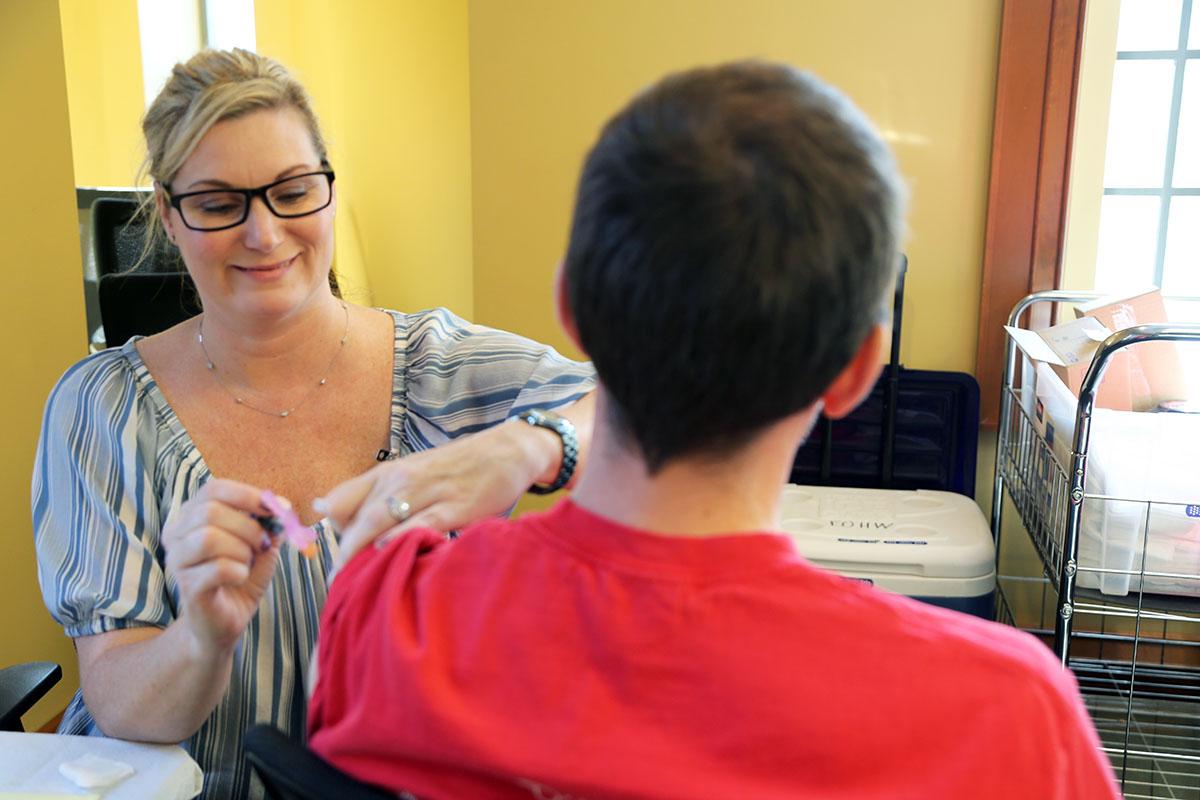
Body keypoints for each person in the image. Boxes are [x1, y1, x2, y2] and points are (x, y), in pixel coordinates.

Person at [308, 61, 1121, 799]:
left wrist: (530, 443)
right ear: (858, 371)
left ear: (571, 308)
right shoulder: (1012, 720)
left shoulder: (389, 614)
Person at [32, 48, 594, 800]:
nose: (264, 235)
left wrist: (532, 445)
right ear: (169, 216)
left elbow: (655, 403)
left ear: (327, 190)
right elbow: (120, 702)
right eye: (219, 202)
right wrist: (201, 639)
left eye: (292, 191)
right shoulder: (101, 410)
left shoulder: (440, 367)